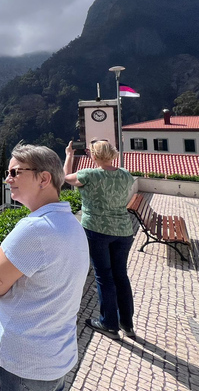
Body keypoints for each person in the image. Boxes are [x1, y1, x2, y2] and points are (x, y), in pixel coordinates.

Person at [0, 144, 89, 391]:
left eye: (16, 172)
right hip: (54, 358)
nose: (8, 179)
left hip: (21, 364)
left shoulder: (34, 230)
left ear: (44, 178)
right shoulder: (71, 224)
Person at [64, 138, 136, 340]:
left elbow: (65, 177)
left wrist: (69, 155)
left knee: (104, 276)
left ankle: (109, 323)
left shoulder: (89, 175)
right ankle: (127, 323)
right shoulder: (125, 175)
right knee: (121, 275)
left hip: (97, 230)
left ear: (93, 156)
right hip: (123, 231)